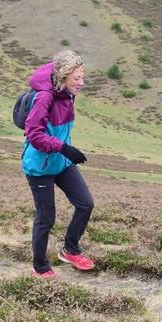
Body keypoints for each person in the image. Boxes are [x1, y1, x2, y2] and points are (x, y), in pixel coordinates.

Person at [22, 50, 96, 278]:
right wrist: (64, 148)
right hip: (40, 167)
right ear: (63, 76)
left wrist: (66, 151)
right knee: (46, 218)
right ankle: (40, 266)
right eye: (77, 78)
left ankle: (70, 250)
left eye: (82, 77)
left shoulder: (67, 94)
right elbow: (33, 134)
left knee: (85, 204)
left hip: (61, 163)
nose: (81, 83)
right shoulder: (45, 97)